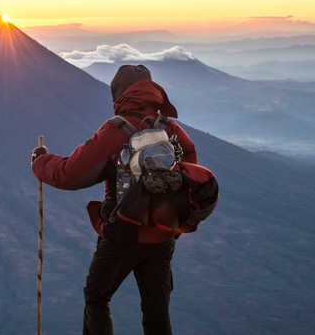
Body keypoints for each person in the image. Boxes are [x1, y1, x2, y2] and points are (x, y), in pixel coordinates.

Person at [31, 64, 198, 335]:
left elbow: (70, 174)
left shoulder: (117, 130)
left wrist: (41, 162)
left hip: (123, 232)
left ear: (119, 94)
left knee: (96, 296)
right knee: (157, 308)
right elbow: (188, 177)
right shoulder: (171, 130)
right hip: (164, 233)